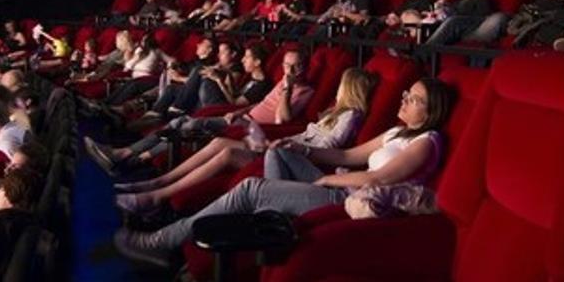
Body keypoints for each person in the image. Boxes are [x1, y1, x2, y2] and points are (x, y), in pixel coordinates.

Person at [113, 77, 451, 267]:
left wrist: (328, 178)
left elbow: (378, 178)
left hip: (351, 199)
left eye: (414, 98)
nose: (404, 99)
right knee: (279, 154)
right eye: (406, 92)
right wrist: (303, 149)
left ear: (431, 109)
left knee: (251, 189)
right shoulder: (395, 133)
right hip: (340, 184)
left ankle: (162, 241)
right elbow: (348, 154)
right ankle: (269, 232)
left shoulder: (427, 140)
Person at [114, 68, 375, 214]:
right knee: (218, 145)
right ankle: (156, 184)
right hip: (282, 146)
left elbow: (333, 147)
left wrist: (291, 144)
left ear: (349, 87)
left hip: (292, 156)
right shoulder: (336, 111)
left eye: (342, 83)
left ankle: (157, 193)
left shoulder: (352, 115)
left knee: (224, 152)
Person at [84, 50, 313, 175]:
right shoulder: (280, 81)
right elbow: (260, 103)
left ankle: (126, 154)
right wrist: (238, 112)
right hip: (242, 118)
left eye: (295, 66)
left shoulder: (304, 91)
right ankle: (125, 154)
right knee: (181, 122)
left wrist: (287, 89)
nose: (289, 71)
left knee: (189, 124)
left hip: (255, 130)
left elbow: (282, 119)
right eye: (286, 65)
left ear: (304, 67)